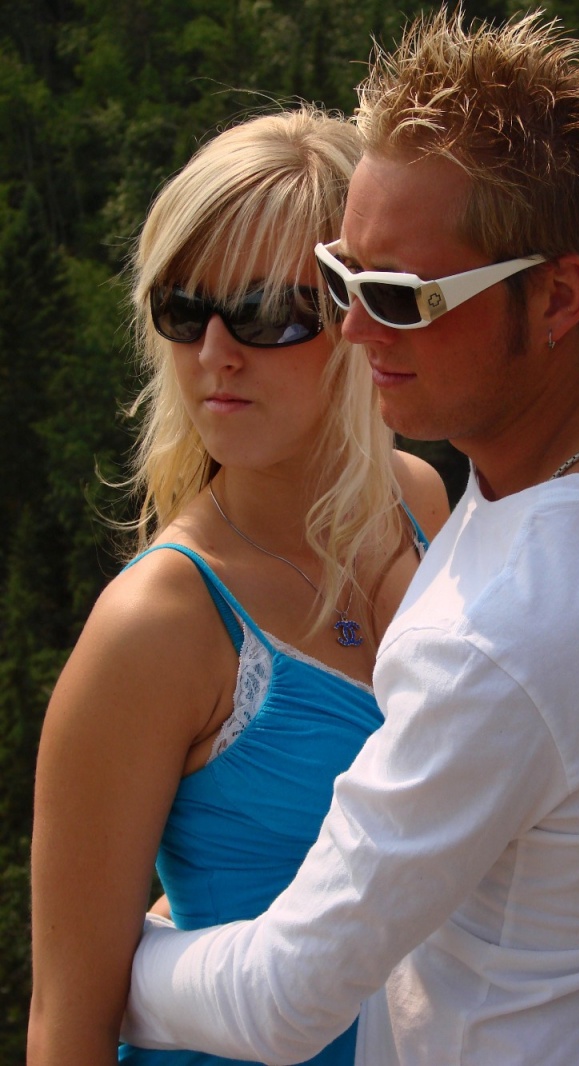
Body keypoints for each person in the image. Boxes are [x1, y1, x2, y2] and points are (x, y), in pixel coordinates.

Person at [120, 10, 579, 1065]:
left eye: (398, 297)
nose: (351, 330)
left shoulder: (491, 640)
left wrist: (124, 961)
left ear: (557, 297)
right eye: (342, 275)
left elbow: (282, 999)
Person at [26, 104, 449, 1066]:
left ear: (357, 313)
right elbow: (67, 1024)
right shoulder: (160, 626)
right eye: (183, 308)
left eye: (263, 312)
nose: (215, 352)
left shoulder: (417, 501)